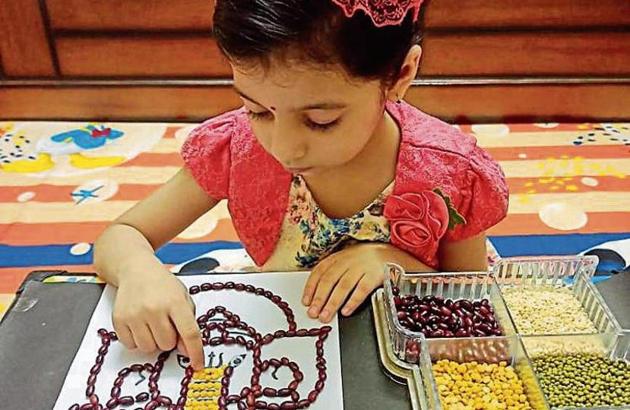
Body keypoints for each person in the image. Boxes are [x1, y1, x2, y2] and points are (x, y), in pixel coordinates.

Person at [93, 0, 509, 370]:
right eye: (257, 110)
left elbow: (470, 299)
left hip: (400, 362)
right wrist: (138, 273)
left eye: (320, 121)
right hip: (291, 338)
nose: (285, 149)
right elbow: (124, 234)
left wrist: (396, 268)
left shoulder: (449, 173)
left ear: (400, 74)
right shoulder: (237, 148)